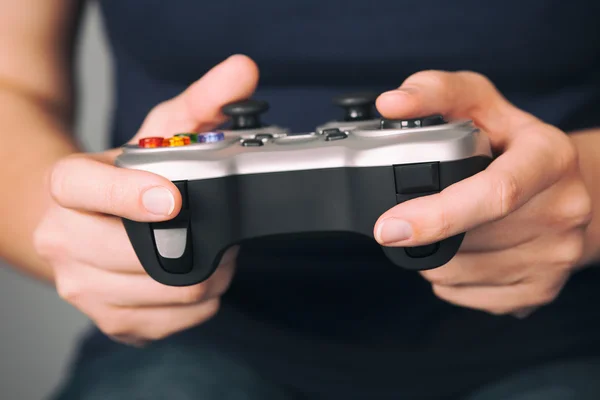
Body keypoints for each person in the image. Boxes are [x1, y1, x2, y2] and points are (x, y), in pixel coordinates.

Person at [1, 0, 600, 399]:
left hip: (558, 321)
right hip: (192, 328)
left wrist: (579, 193)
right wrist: (66, 223)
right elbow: (11, 85)